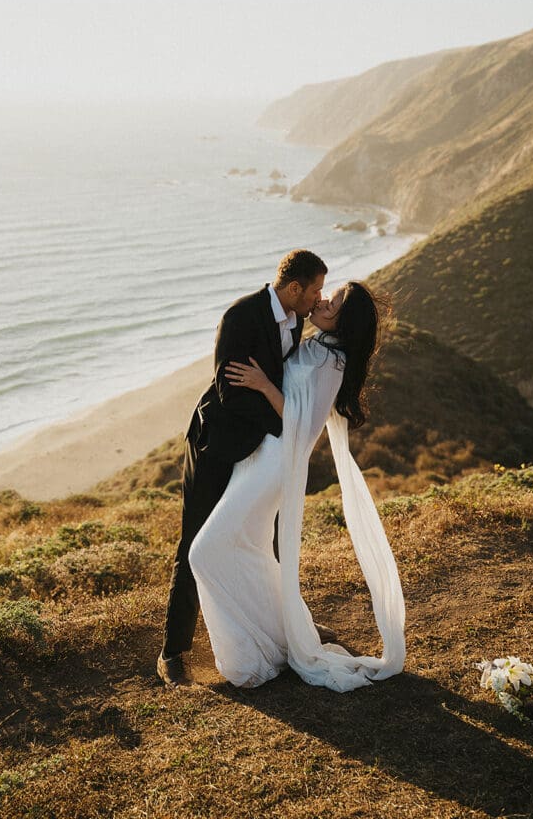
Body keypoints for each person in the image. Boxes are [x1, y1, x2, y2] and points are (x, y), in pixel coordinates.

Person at [188, 281, 406, 692]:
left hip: (275, 462)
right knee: (248, 549)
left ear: (346, 319)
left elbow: (304, 427)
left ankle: (249, 655)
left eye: (334, 300)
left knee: (205, 551)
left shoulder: (332, 361)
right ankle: (276, 638)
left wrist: (263, 385)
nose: (323, 300)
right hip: (260, 455)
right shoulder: (322, 345)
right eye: (326, 294)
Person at [158, 249, 329, 687]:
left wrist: (276, 409)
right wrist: (282, 418)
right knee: (195, 541)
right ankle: (173, 653)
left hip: (259, 449)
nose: (318, 299)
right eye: (315, 291)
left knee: (263, 540)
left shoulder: (297, 319)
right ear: (294, 288)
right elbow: (232, 393)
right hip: (218, 445)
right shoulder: (240, 317)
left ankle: (282, 626)